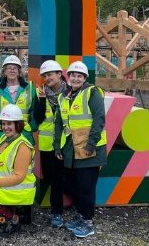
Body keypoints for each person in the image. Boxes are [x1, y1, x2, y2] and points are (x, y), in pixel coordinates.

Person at [54, 61, 106, 239]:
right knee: (75, 184)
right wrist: (57, 146)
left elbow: (99, 118)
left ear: (85, 78)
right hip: (71, 149)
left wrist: (91, 144)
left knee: (86, 186)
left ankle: (88, 222)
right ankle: (81, 215)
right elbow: (59, 123)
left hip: (89, 149)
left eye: (79, 76)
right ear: (67, 78)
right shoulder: (64, 97)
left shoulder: (92, 93)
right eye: (73, 75)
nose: (75, 78)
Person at [0, 104, 36, 236]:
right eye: (3, 123)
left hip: (18, 190)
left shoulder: (23, 146)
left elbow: (19, 177)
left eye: (9, 124)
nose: (5, 127)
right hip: (7, 187)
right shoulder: (4, 139)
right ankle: (4, 215)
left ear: (18, 124)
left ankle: (12, 220)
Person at [34, 60, 67, 228]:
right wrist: (41, 100)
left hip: (64, 145)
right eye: (45, 76)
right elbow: (37, 118)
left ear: (59, 74)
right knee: (49, 177)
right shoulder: (41, 93)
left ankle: (57, 212)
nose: (47, 78)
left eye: (50, 74)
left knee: (58, 179)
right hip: (47, 146)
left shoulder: (70, 93)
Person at [0, 55, 37, 147]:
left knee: (23, 159)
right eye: (9, 68)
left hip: (24, 132)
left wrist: (32, 127)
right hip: (3, 132)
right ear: (4, 71)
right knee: (2, 160)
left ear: (19, 71)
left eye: (15, 68)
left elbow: (35, 110)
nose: (12, 70)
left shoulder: (29, 88)